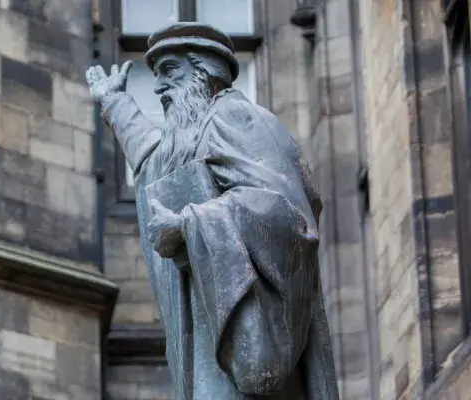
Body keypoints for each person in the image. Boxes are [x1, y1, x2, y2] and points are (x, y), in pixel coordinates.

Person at [85, 22, 339, 399]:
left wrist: (189, 224)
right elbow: (161, 165)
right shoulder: (197, 132)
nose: (158, 87)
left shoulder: (237, 117)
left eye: (169, 70)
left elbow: (288, 215)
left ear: (206, 72)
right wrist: (117, 105)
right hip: (213, 349)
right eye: (156, 75)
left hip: (243, 350)